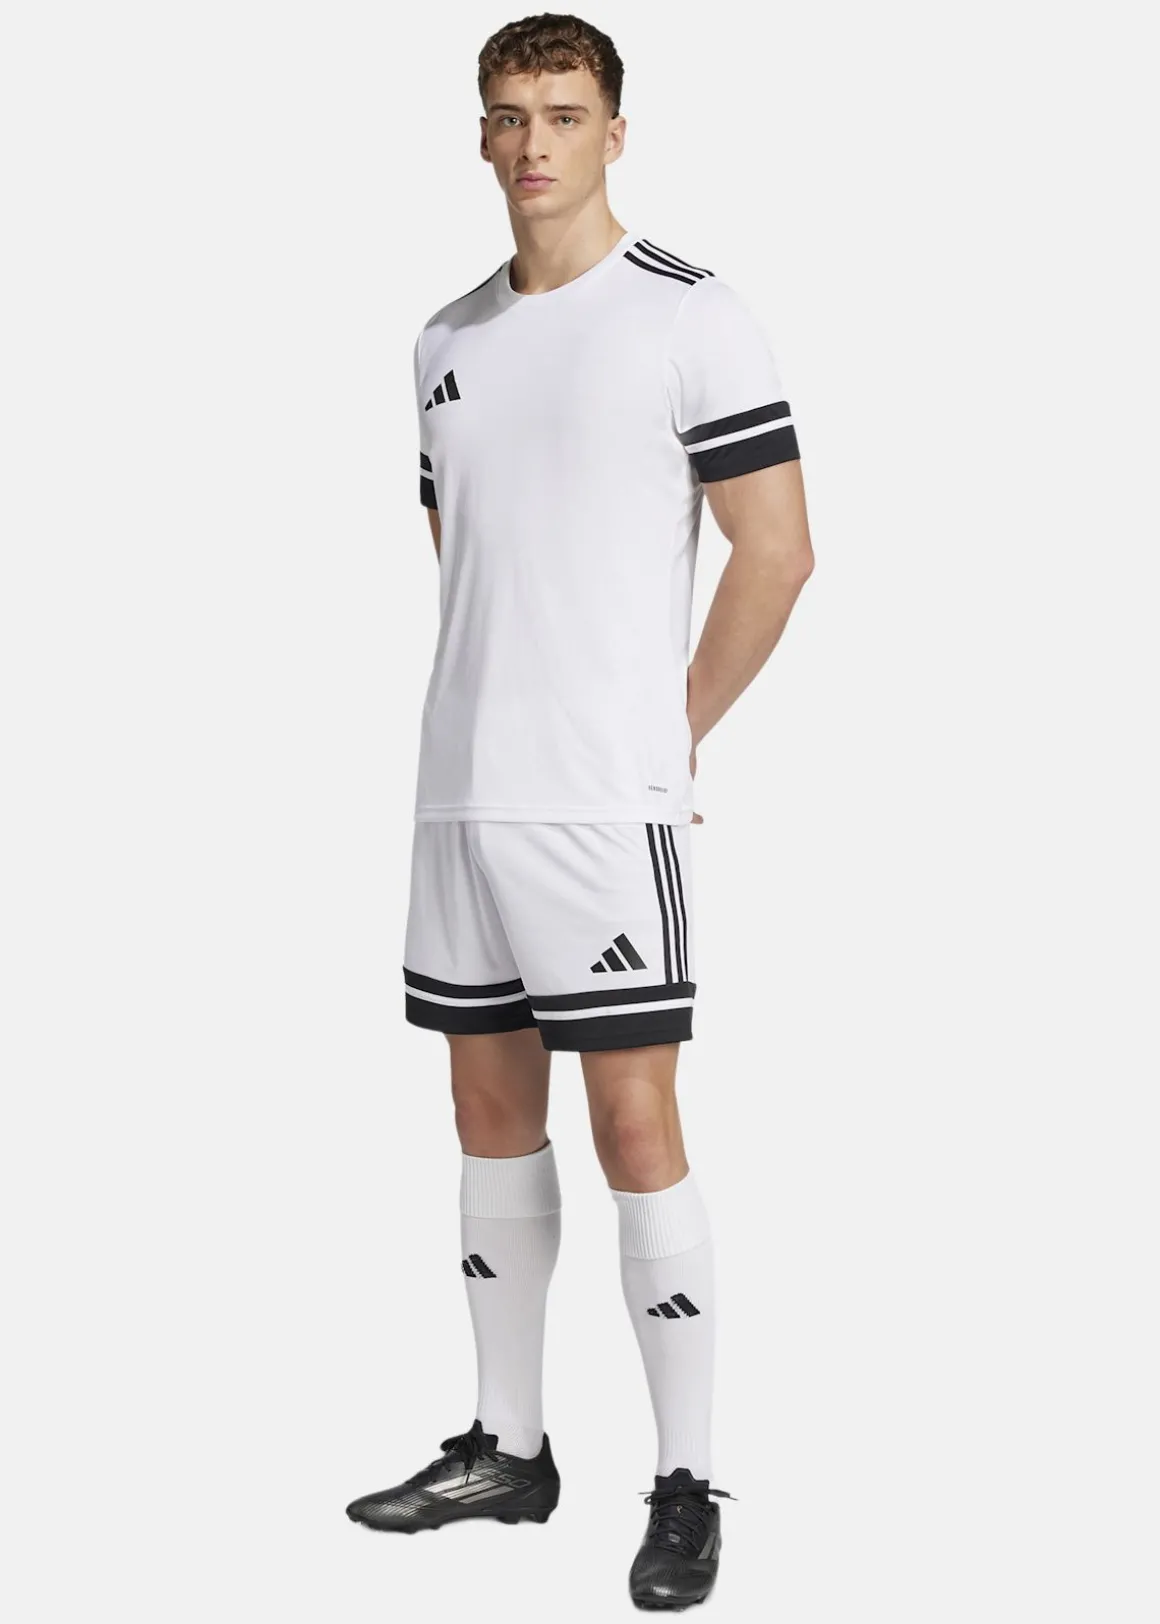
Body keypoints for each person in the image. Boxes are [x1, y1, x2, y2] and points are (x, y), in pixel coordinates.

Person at [346, 12, 813, 1610]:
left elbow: (777, 553)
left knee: (634, 1130)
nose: (532, 140)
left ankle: (685, 1481)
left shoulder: (692, 316)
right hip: (459, 796)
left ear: (616, 130)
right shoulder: (444, 339)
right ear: (480, 136)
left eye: (561, 111)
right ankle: (510, 1444)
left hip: (602, 812)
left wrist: (663, 735)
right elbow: (470, 549)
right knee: (485, 1118)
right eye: (507, 114)